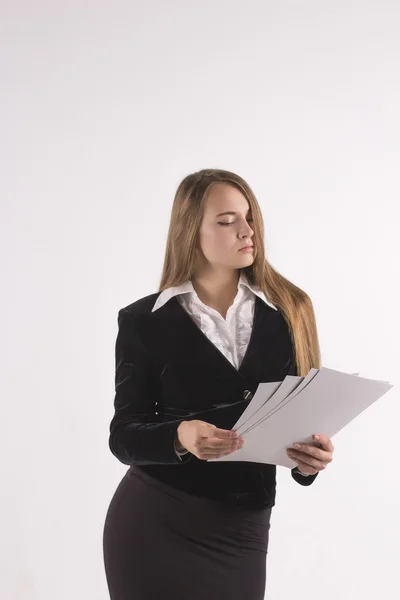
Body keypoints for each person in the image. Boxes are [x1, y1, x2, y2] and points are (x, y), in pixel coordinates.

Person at [102, 168, 335, 600]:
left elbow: (301, 420)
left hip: (242, 530)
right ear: (191, 232)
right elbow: (124, 435)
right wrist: (178, 435)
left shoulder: (292, 311)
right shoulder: (142, 321)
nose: (248, 231)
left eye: (250, 218)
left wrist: (309, 462)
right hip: (156, 520)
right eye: (227, 221)